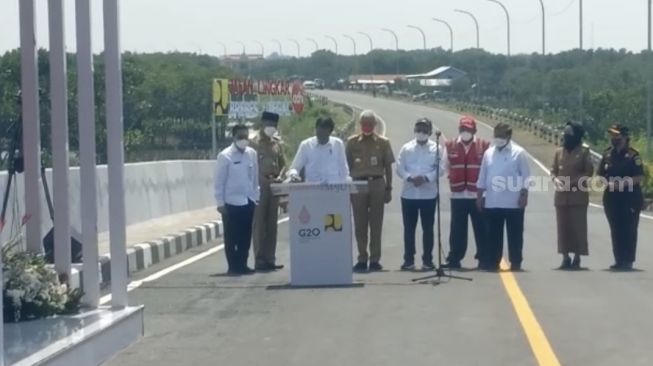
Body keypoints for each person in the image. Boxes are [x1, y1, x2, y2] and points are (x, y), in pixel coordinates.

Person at [476, 123, 531, 272]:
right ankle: (493, 262)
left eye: (501, 136)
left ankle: (516, 262)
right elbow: (483, 176)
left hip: (513, 202)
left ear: (508, 136)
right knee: (493, 235)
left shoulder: (518, 153)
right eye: (496, 135)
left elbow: (526, 177)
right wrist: (479, 196)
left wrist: (524, 195)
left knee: (515, 235)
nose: (498, 139)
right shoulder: (489, 153)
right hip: (493, 201)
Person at [346, 110, 395, 272]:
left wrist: (389, 188)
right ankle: (362, 257)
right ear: (360, 125)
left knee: (376, 223)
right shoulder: (352, 142)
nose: (367, 127)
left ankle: (375, 259)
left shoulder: (383, 142)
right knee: (360, 224)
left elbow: (388, 166)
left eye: (370, 124)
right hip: (358, 185)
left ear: (375, 125)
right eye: (364, 124)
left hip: (377, 184)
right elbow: (345, 167)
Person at [442, 116, 490, 269]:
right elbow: (444, 166)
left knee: (481, 228)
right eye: (462, 129)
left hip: (477, 196)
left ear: (474, 130)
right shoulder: (450, 145)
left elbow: (489, 169)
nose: (465, 132)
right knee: (457, 230)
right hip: (458, 195)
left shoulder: (484, 146)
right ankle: (454, 258)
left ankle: (484, 257)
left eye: (468, 129)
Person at [396, 118, 444, 271]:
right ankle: (408, 260)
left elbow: (441, 168)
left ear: (430, 132)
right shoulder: (406, 148)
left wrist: (426, 178)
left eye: (424, 130)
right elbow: (399, 167)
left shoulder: (436, 148)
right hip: (409, 194)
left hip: (428, 194)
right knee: (409, 229)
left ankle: (427, 260)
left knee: (428, 229)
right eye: (418, 129)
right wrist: (409, 177)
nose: (421, 132)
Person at [597, 124, 645, 271]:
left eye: (617, 135)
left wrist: (622, 184)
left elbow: (639, 177)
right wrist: (607, 182)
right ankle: (618, 259)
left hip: (630, 198)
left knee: (629, 229)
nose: (614, 138)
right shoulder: (607, 154)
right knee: (615, 228)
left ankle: (628, 260)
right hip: (611, 198)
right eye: (612, 135)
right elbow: (600, 175)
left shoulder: (633, 155)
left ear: (625, 137)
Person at [214, 124, 260, 275]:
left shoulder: (252, 153)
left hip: (248, 201)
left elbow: (254, 179)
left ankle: (243, 264)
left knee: (245, 236)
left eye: (246, 137)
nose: (244, 140)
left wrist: (256, 198)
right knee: (231, 236)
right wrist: (220, 203)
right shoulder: (225, 156)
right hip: (231, 202)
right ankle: (233, 266)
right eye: (240, 137)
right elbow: (219, 181)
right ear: (233, 137)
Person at [551, 121, 594, 270]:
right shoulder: (559, 152)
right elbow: (553, 171)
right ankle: (564, 257)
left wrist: (573, 182)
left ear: (576, 135)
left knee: (578, 227)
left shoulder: (584, 151)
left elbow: (588, 172)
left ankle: (577, 257)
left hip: (578, 196)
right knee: (563, 227)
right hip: (561, 196)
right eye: (564, 133)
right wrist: (555, 180)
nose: (565, 136)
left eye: (569, 134)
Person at [251, 112, 286, 271]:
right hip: (260, 186)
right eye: (268, 124)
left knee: (272, 224)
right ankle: (259, 259)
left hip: (274, 185)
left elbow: (283, 164)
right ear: (262, 123)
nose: (271, 128)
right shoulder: (253, 143)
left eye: (274, 126)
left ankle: (270, 258)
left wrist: (281, 176)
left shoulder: (277, 144)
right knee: (259, 223)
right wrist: (260, 178)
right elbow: (250, 166)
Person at [287, 116, 349, 183]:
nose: (321, 136)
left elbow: (344, 170)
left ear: (330, 132)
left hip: (333, 188)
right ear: (316, 129)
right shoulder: (306, 145)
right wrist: (293, 175)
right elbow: (295, 167)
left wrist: (344, 187)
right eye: (319, 132)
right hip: (312, 188)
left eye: (324, 133)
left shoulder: (338, 144)